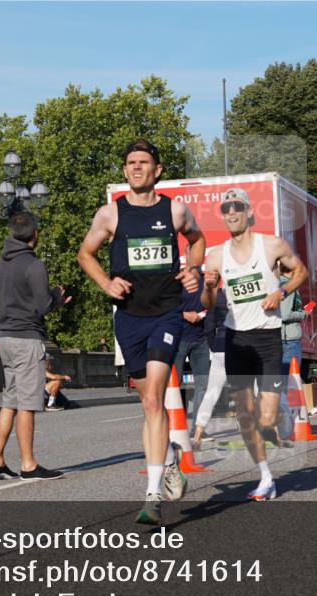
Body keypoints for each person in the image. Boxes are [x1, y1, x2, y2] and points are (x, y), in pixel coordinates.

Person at [78, 139, 205, 525]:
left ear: (157, 170)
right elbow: (85, 254)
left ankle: (152, 496)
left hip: (166, 314)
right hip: (129, 318)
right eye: (130, 163)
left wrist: (193, 269)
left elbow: (198, 240)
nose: (136, 168)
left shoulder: (174, 210)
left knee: (153, 400)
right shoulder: (110, 214)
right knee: (146, 401)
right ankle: (168, 459)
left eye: (143, 162)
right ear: (124, 170)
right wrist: (105, 283)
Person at [201, 186, 307, 501]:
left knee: (267, 418)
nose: (231, 213)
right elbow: (208, 304)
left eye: (237, 207)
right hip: (235, 339)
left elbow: (300, 271)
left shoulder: (271, 245)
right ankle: (265, 477)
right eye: (226, 209)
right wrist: (209, 288)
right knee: (246, 416)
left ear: (249, 211)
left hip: (267, 337)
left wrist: (280, 292)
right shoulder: (216, 255)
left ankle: (280, 410)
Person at [0, 211, 69, 481]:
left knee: (9, 402)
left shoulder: (1, 263)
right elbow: (43, 305)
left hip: (5, 338)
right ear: (35, 234)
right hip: (27, 339)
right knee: (27, 404)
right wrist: (57, 297)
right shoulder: (34, 265)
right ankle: (28, 465)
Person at [192, 289, 228, 449]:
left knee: (211, 393)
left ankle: (198, 434)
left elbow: (208, 327)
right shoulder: (244, 292)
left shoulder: (216, 296)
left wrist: (215, 346)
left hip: (221, 345)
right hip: (240, 345)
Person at [173, 285, 210, 429]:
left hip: (201, 340)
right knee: (174, 385)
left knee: (203, 385)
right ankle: (173, 427)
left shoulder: (206, 279)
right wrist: (184, 314)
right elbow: (163, 306)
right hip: (178, 339)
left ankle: (198, 429)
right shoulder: (176, 279)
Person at [276, 272, 306, 445]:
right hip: (289, 339)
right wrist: (303, 314)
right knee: (289, 383)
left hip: (278, 338)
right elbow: (286, 314)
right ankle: (286, 426)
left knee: (280, 383)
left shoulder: (273, 283)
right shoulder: (288, 286)